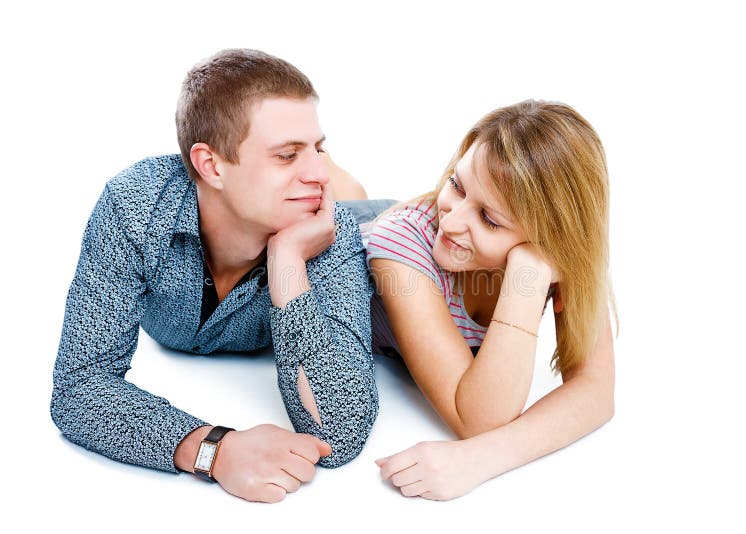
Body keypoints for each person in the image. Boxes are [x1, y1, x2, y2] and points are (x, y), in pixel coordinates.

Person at [50, 48, 379, 504]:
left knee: (370, 215)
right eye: (287, 155)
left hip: (382, 232)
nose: (319, 175)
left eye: (319, 149)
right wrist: (212, 448)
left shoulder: (327, 227)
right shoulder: (136, 206)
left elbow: (339, 430)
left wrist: (287, 261)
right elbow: (78, 388)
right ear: (211, 165)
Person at [357, 99, 617, 500]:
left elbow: (597, 389)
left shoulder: (552, 257)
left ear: (547, 239)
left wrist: (477, 460)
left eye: (489, 219)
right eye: (457, 185)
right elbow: (478, 417)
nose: (452, 221)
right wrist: (527, 281)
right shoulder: (403, 244)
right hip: (342, 242)